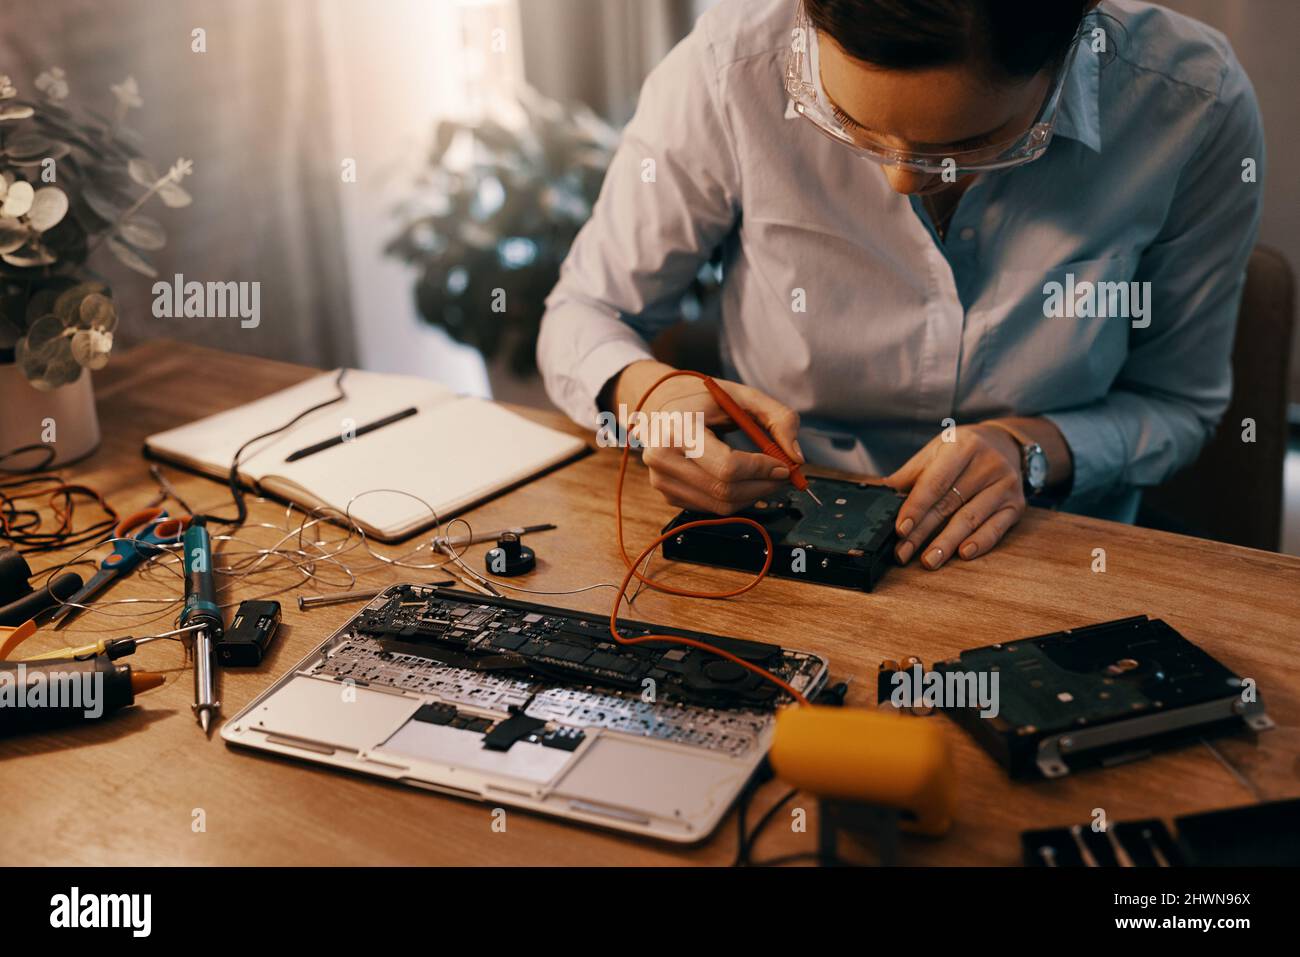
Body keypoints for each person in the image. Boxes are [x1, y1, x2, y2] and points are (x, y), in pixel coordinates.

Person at [536, 0, 1264, 570]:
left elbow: (1177, 405)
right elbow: (586, 312)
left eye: (969, 144)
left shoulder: (1189, 104)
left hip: (1052, 553)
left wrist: (1030, 449)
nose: (901, 178)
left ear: (1070, 45)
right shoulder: (729, 71)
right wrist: (650, 399)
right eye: (849, 123)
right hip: (777, 543)